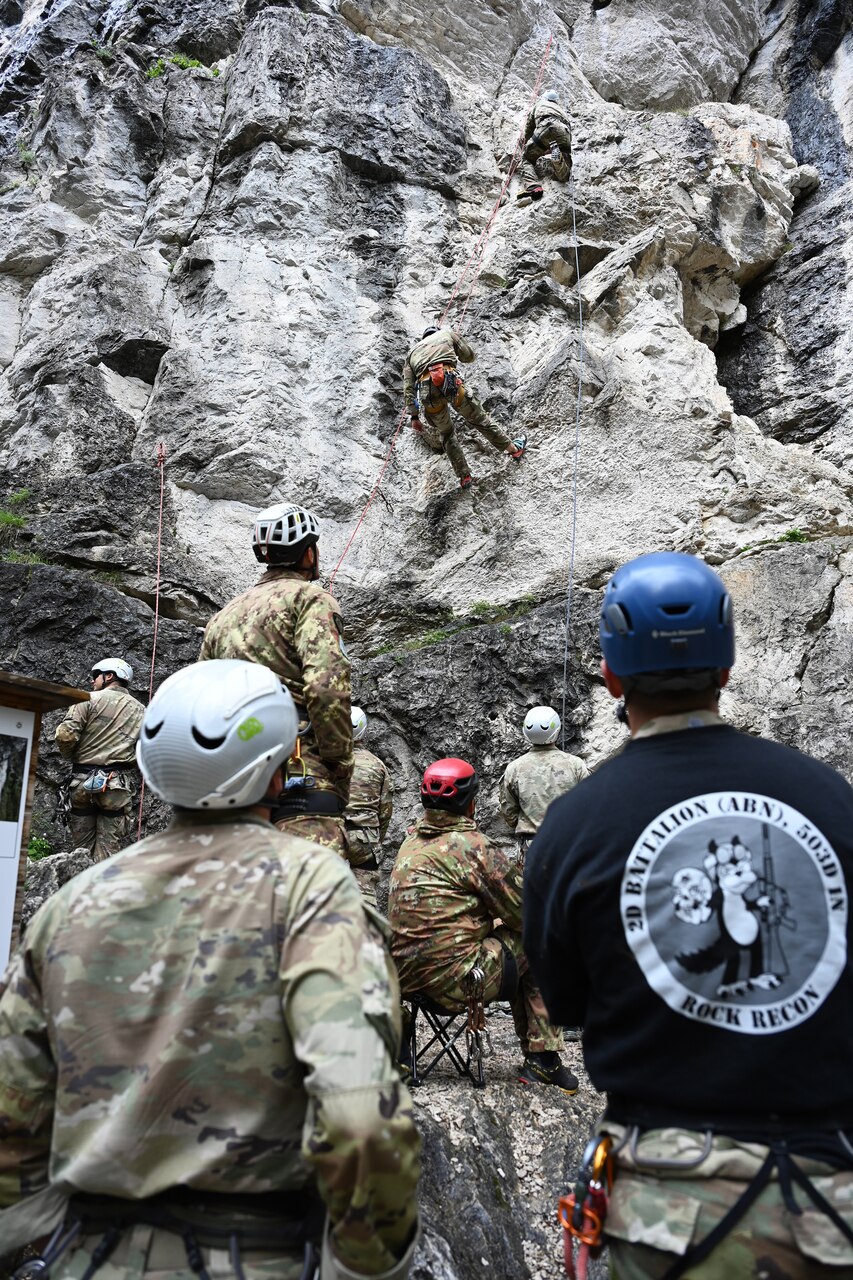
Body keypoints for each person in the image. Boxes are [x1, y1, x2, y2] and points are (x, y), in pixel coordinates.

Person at [0, 659, 420, 1280]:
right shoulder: (309, 886)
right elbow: (359, 1116)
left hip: (87, 1255)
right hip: (255, 1252)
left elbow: (13, 1117)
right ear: (281, 767)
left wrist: (34, 1240)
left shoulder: (72, 904)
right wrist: (367, 1264)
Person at [524, 552, 853, 1278]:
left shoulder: (576, 823)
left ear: (611, 675)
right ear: (726, 667)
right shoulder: (830, 800)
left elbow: (569, 1000)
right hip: (830, 1200)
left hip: (668, 1214)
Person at [388, 756, 577, 1093]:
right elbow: (527, 914)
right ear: (470, 803)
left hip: (406, 981)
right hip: (456, 984)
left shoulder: (410, 842)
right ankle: (544, 1060)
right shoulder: (474, 848)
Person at [199, 502, 353, 858]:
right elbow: (325, 687)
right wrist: (340, 763)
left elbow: (202, 701)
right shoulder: (311, 599)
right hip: (297, 767)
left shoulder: (222, 618)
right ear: (308, 553)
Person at [402, 325, 527, 490]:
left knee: (446, 433)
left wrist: (414, 416)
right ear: (436, 332)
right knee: (478, 418)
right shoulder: (446, 333)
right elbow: (468, 356)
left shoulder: (411, 354)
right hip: (451, 382)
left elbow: (408, 389)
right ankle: (513, 449)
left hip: (428, 394)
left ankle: (465, 477)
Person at [54, 656, 143, 861]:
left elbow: (65, 735)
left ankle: (78, 884)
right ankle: (99, 889)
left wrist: (72, 757)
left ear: (109, 676)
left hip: (81, 784)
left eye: (96, 676)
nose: (92, 681)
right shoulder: (142, 710)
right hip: (115, 787)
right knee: (108, 853)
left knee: (80, 852)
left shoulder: (87, 699)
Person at [498, 705, 589, 859]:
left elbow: (509, 814)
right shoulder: (576, 765)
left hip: (533, 847)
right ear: (557, 729)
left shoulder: (514, 768)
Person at [344, 706, 394, 903]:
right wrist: (376, 839)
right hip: (365, 839)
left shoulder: (326, 760)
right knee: (365, 897)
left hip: (333, 835)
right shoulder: (377, 765)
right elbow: (385, 810)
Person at [517, 90, 573, 206]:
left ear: (544, 98)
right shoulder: (561, 110)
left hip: (547, 127)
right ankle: (559, 160)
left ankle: (533, 186)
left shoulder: (540, 104)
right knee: (565, 175)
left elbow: (529, 127)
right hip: (565, 133)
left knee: (526, 158)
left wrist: (525, 142)